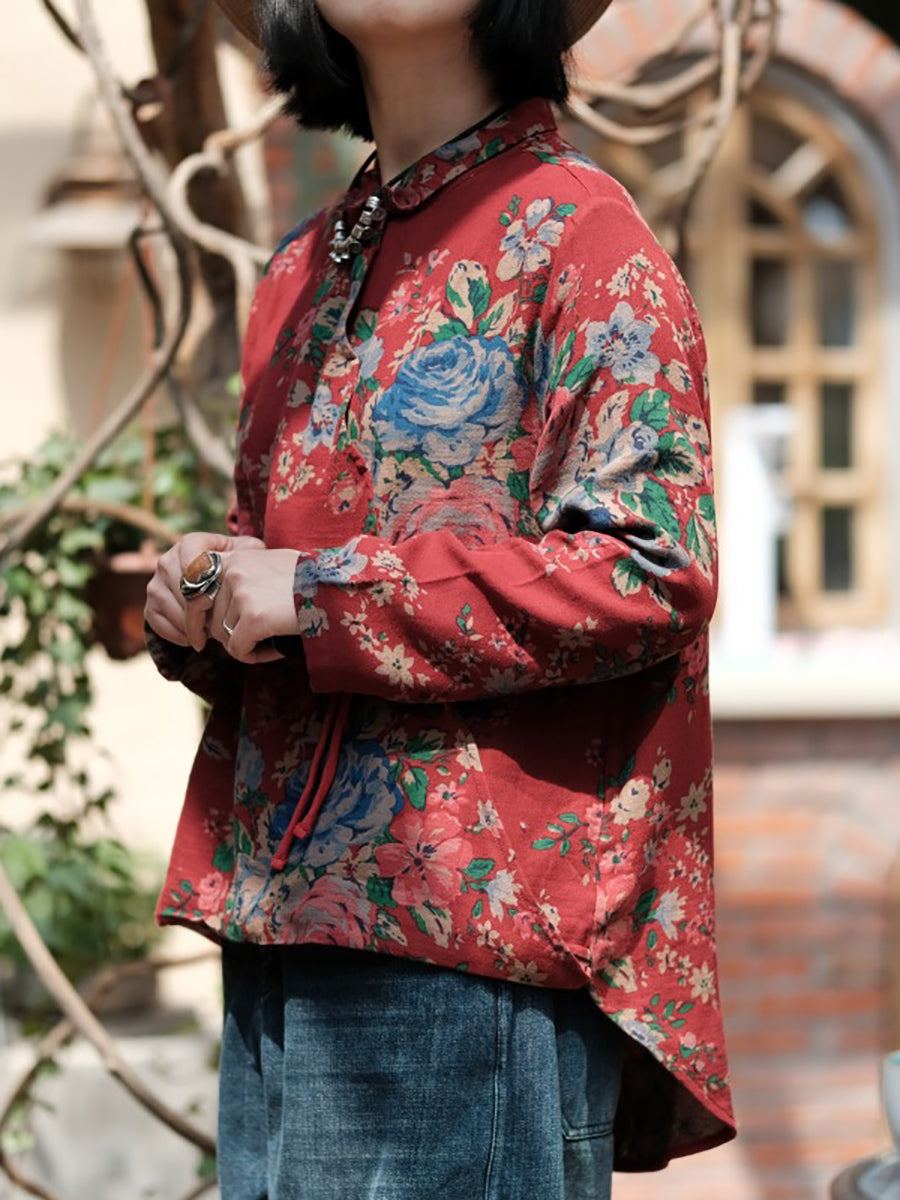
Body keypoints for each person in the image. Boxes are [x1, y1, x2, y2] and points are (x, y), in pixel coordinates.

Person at [144, 1, 735, 1196]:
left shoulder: (581, 235)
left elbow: (650, 563)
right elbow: (289, 590)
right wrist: (208, 597)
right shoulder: (300, 270)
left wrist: (318, 596)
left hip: (472, 952)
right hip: (280, 931)